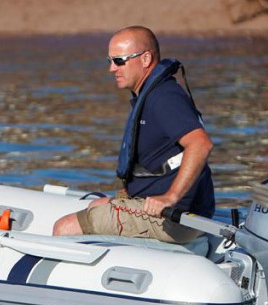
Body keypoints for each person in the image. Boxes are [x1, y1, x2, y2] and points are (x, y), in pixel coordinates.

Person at [52, 26, 215, 243]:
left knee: (64, 228)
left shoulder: (164, 98)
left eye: (119, 61)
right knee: (96, 205)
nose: (112, 68)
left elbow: (201, 144)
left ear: (146, 59)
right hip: (153, 203)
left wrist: (170, 197)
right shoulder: (151, 94)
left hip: (174, 218)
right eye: (109, 60)